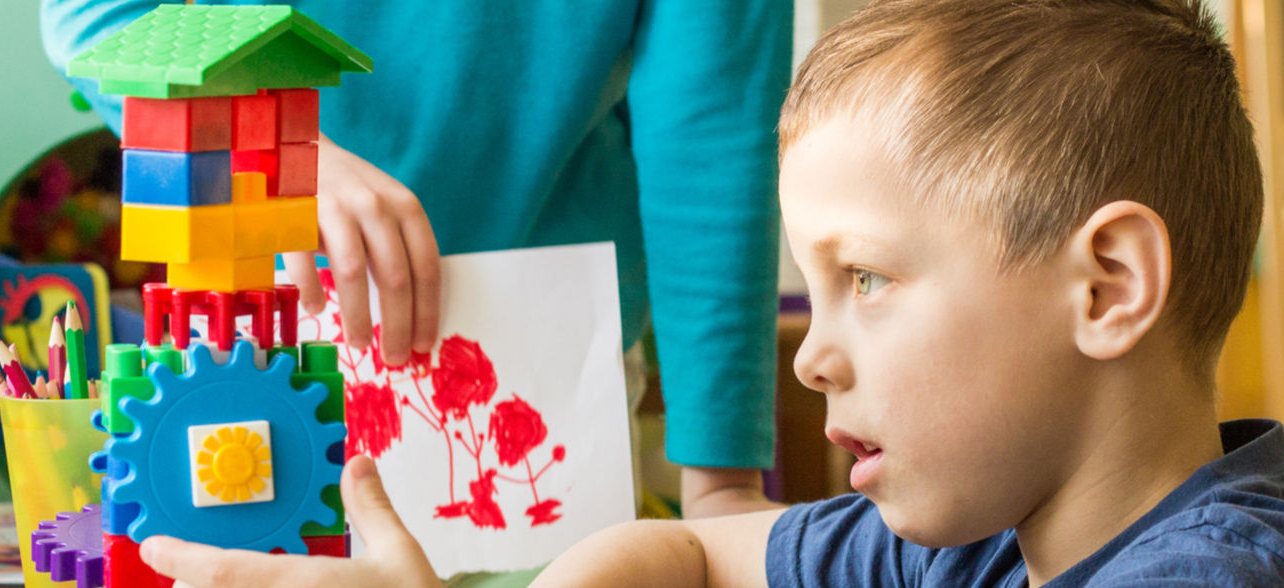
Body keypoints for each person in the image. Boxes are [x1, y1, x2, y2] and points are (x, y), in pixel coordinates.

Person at [132, 0, 1284, 585]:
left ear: (1107, 287)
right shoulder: (979, 540)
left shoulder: (1221, 577)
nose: (811, 361)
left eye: (866, 280)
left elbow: (704, 130)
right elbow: (679, 556)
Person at [41, 0, 790, 519]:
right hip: (264, 337)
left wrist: (720, 479)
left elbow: (713, 133)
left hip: (555, 362)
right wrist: (266, 147)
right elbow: (96, 15)